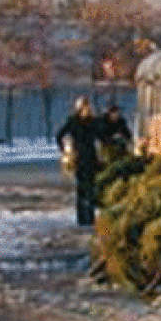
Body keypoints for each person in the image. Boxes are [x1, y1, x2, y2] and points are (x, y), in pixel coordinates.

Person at [56, 96, 103, 226]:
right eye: (84, 107)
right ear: (79, 108)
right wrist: (65, 150)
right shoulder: (73, 121)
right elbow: (59, 135)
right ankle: (82, 218)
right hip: (79, 158)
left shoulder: (93, 122)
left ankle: (91, 217)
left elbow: (101, 136)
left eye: (88, 107)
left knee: (92, 189)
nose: (86, 110)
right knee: (81, 189)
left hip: (92, 158)